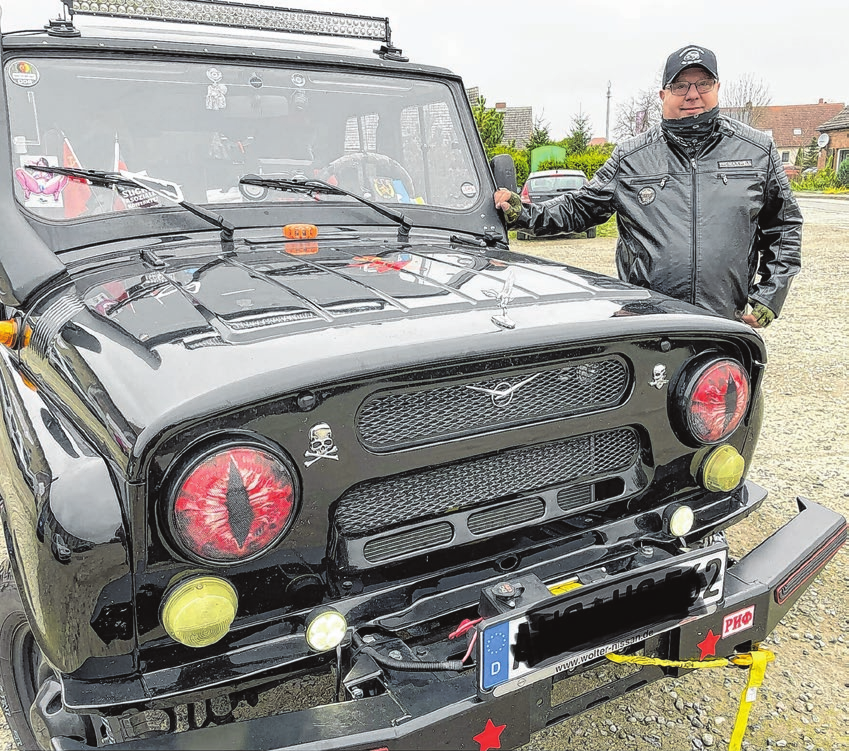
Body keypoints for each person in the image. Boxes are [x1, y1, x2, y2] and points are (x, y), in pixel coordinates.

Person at [494, 44, 802, 328]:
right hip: (647, 322)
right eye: (680, 85)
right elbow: (580, 207)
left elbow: (785, 225)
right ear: (663, 95)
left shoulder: (756, 151)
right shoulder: (632, 157)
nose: (692, 94)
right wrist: (525, 214)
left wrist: (770, 296)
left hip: (723, 321)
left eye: (703, 84)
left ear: (717, 87)